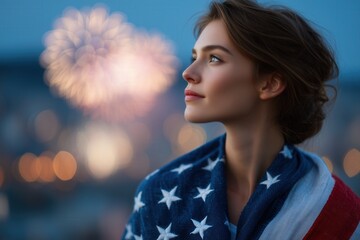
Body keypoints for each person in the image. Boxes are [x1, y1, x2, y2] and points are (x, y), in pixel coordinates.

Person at [122, 0, 360, 239]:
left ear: (270, 83)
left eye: (214, 58)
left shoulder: (336, 210)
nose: (188, 72)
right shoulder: (159, 194)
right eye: (194, 56)